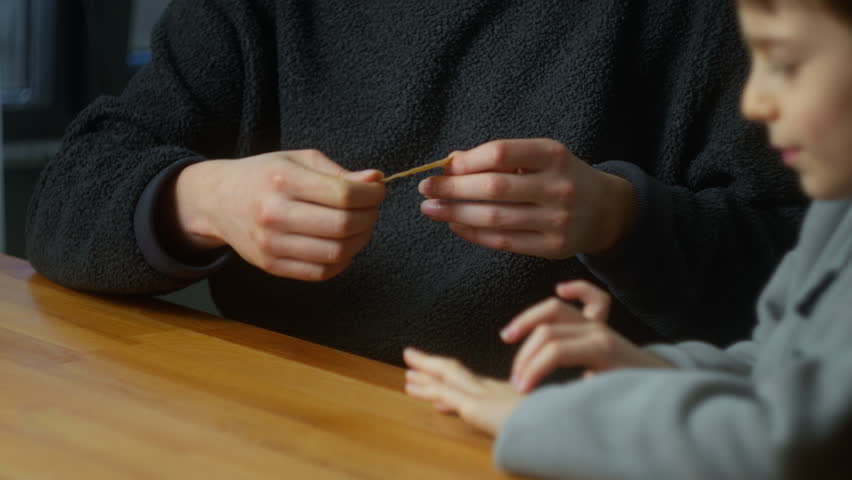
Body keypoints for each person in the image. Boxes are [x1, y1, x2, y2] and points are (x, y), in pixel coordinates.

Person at [26, 1, 803, 376]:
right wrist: (203, 198)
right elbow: (67, 197)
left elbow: (809, 291)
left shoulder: (711, 19)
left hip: (563, 441)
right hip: (281, 426)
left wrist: (620, 218)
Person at [404, 0, 852, 478]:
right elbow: (776, 372)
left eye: (784, 63)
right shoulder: (838, 215)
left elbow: (792, 450)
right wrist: (647, 371)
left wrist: (550, 423)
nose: (752, 103)